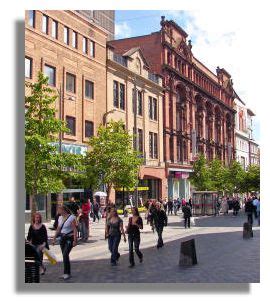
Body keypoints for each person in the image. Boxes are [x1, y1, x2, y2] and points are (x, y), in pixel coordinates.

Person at [52, 205, 77, 280]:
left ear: (64, 210)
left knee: (65, 254)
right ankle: (66, 272)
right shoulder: (60, 218)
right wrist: (54, 238)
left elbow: (74, 229)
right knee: (64, 255)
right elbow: (58, 229)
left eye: (59, 210)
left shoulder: (71, 217)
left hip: (69, 238)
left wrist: (75, 240)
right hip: (62, 238)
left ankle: (67, 273)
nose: (58, 211)